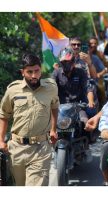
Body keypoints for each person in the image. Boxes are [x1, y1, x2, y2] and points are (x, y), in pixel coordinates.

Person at [0, 54, 59, 186]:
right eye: (29, 72)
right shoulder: (13, 90)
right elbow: (4, 115)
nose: (34, 76)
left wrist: (53, 130)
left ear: (41, 70)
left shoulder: (51, 88)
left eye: (37, 71)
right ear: (22, 72)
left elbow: (54, 106)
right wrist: (1, 140)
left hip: (41, 148)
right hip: (16, 148)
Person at [52, 47, 96, 122]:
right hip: (61, 108)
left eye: (69, 61)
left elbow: (88, 87)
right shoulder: (56, 73)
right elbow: (51, 88)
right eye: (64, 62)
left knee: (85, 121)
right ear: (60, 62)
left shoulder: (81, 72)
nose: (67, 64)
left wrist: (91, 101)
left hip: (78, 106)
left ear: (74, 61)